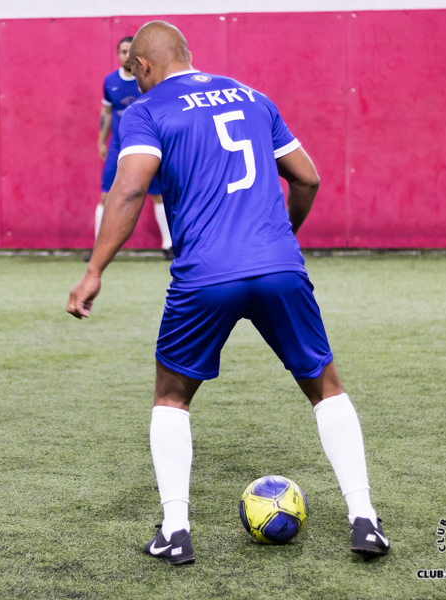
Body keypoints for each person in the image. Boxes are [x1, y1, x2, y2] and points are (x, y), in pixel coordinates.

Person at [67, 21, 389, 565]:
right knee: (326, 388)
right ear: (188, 54)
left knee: (172, 396)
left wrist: (95, 269)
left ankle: (175, 532)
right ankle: (365, 520)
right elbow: (307, 178)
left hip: (206, 275)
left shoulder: (145, 110)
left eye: (134, 72)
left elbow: (130, 188)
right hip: (278, 266)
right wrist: (282, 236)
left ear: (143, 66)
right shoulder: (254, 97)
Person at [94, 36, 173, 261]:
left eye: (131, 52)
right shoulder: (110, 81)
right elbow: (106, 112)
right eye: (123, 52)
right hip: (118, 147)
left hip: (147, 147)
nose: (127, 56)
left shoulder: (149, 80)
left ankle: (169, 245)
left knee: (158, 196)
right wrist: (101, 140)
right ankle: (98, 248)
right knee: (105, 196)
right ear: (118, 54)